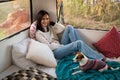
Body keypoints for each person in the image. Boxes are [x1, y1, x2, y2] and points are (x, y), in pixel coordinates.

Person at [29, 10, 105, 60]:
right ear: (39, 20)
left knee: (69, 27)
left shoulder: (50, 27)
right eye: (43, 19)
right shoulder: (38, 33)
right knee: (79, 43)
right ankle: (100, 58)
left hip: (60, 45)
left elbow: (62, 28)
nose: (45, 21)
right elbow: (48, 47)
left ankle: (80, 51)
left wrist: (53, 23)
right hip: (55, 52)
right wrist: (62, 46)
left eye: (47, 18)